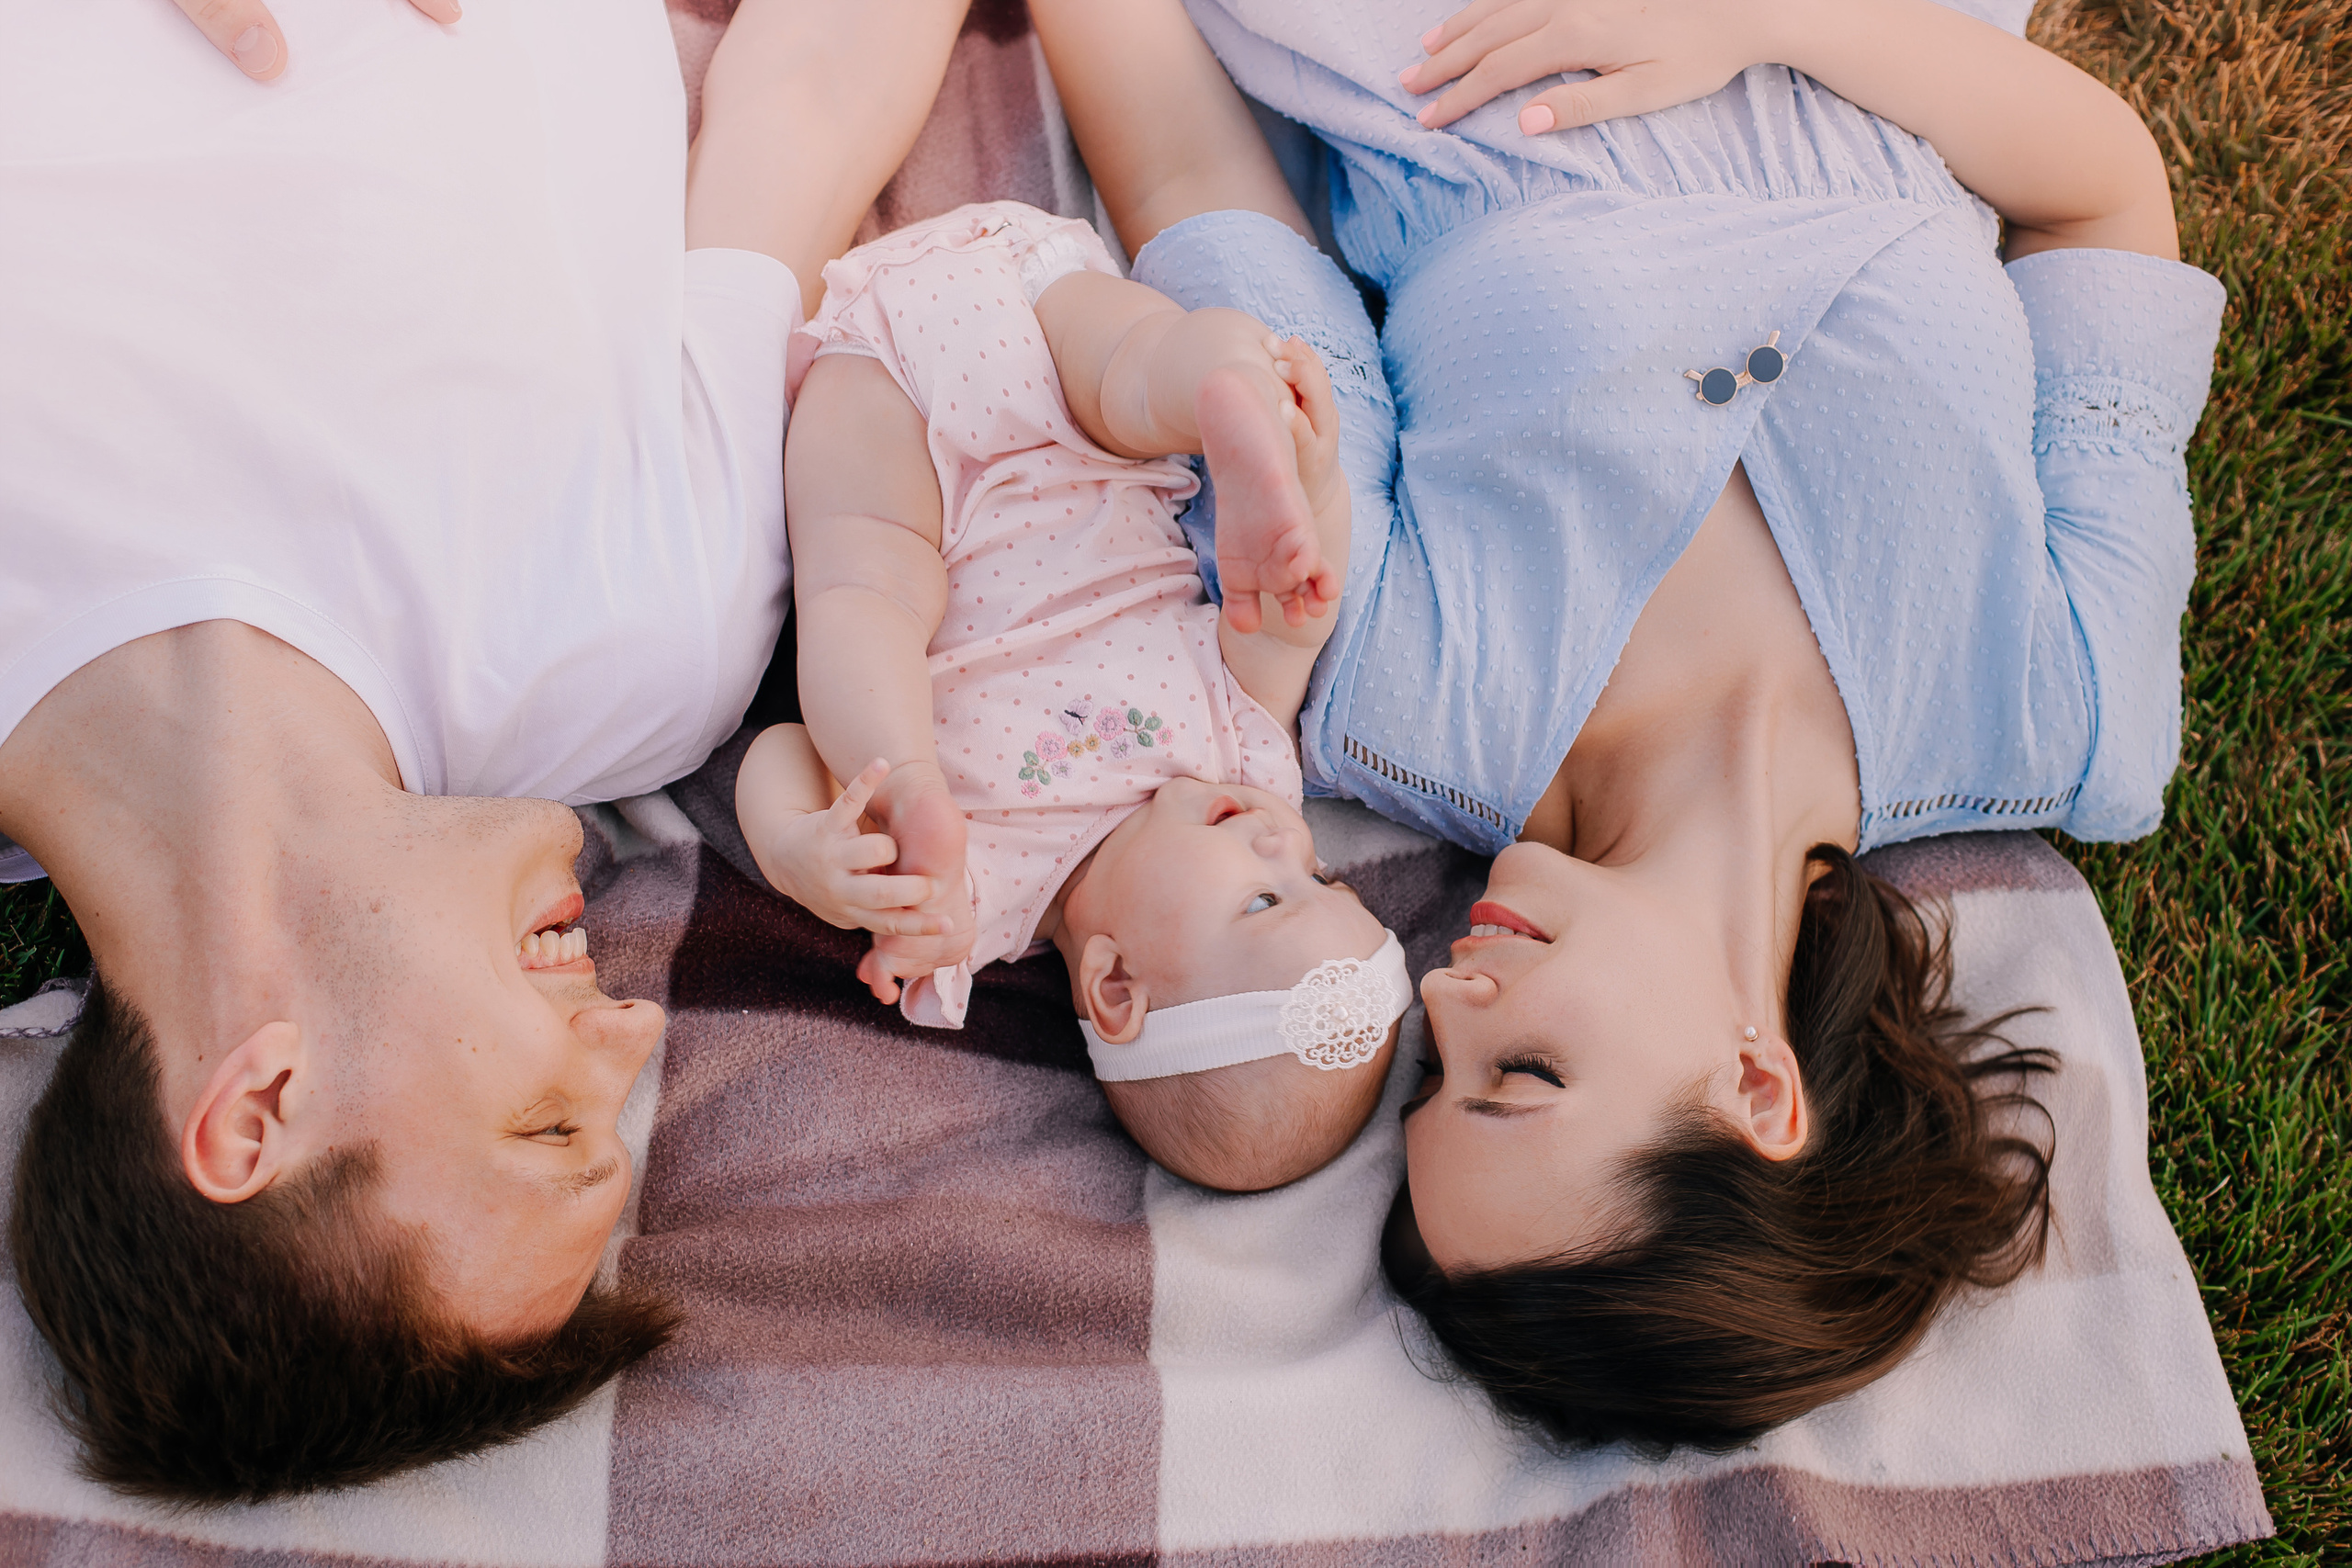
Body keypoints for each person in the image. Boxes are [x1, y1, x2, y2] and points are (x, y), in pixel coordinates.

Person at [1028, 0, 2225, 1446]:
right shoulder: (2073, 711)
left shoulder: (1386, 693)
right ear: (1756, 1086)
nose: (1444, 1004)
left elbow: (1190, 182)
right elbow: (2102, 191)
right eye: (1521, 1078)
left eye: (1434, 1075)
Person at [0, 0, 966, 1503]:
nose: (637, 1035)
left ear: (258, 1108)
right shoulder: (639, 644)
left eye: (549, 1121)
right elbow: (820, 83)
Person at [733, 201, 1405, 1190]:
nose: (1285, 844)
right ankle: (1234, 407)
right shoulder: (1246, 765)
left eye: (1268, 899)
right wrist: (1312, 501)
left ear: (1117, 985)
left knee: (868, 600)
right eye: (1325, 879)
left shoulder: (971, 901)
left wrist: (801, 850)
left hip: (895, 425)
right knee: (1154, 372)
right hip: (1059, 361)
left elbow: (785, 753)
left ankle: (903, 772)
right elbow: (1287, 620)